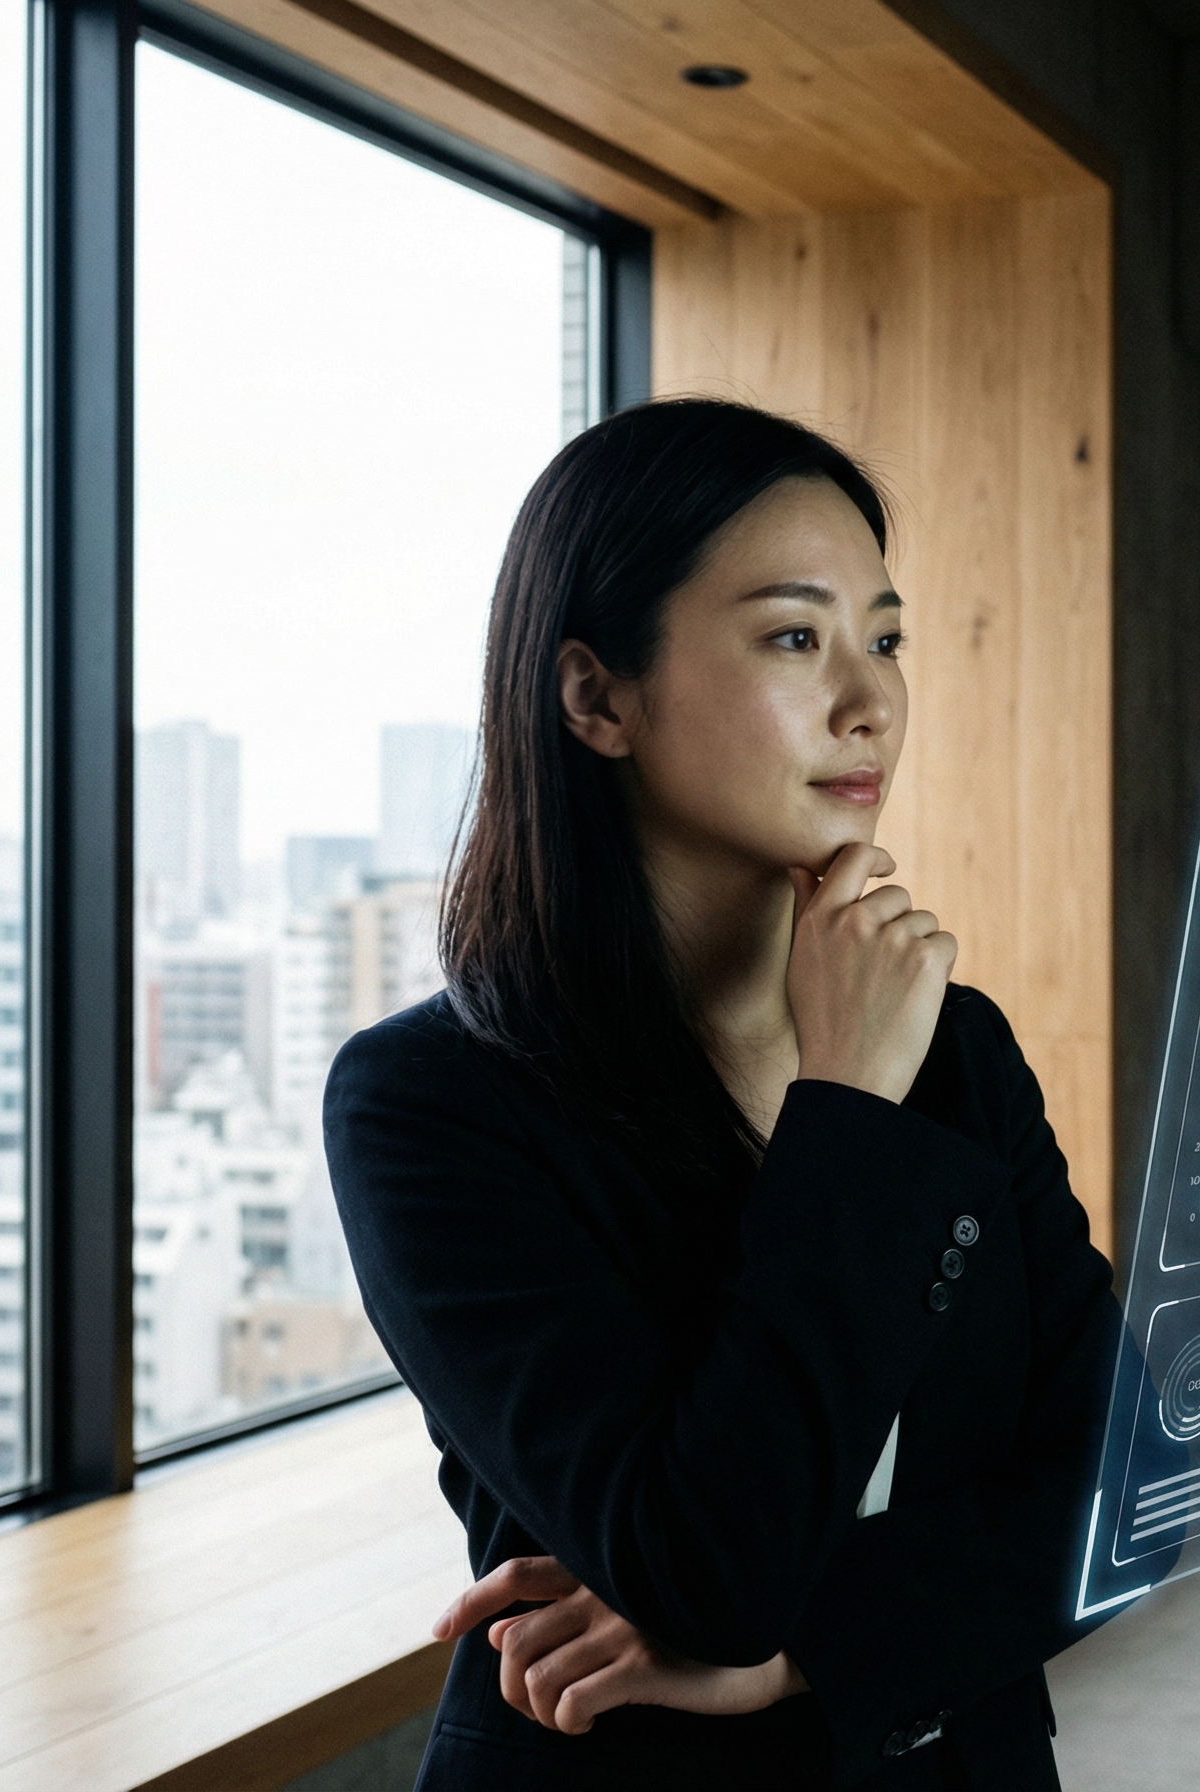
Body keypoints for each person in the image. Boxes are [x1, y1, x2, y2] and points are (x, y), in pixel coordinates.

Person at [325, 399, 1133, 1788]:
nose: (869, 697)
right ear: (596, 697)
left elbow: (1128, 1483)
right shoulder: (429, 1106)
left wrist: (810, 1643)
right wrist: (849, 1114)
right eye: (793, 637)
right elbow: (706, 1562)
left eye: (884, 636)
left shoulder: (960, 1049)